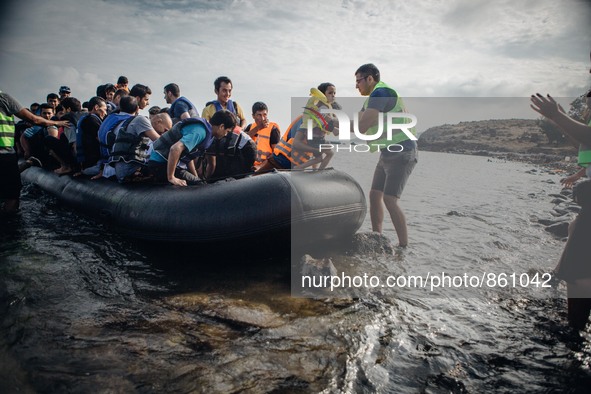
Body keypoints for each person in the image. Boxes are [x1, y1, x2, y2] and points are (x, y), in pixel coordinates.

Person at [354, 63, 418, 247]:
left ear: (370, 79)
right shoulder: (370, 100)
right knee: (375, 195)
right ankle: (377, 238)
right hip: (387, 153)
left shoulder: (381, 93)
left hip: (403, 151)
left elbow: (362, 126)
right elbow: (359, 123)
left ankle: (404, 246)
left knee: (390, 199)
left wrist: (338, 126)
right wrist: (333, 125)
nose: (356, 85)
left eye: (358, 81)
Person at [1, 90, 68, 214]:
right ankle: (9, 222)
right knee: (12, 194)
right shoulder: (3, 98)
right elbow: (34, 119)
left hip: (6, 154)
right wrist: (56, 123)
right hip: (4, 153)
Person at [147, 110, 236, 186]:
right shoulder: (200, 132)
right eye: (227, 131)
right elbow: (175, 149)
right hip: (159, 163)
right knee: (199, 186)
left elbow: (188, 157)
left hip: (167, 164)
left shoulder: (209, 135)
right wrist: (171, 177)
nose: (226, 135)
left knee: (199, 183)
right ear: (221, 127)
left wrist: (196, 177)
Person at [554, 180, 591, 329]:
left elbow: (569, 251)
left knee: (575, 327)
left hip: (578, 279)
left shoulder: (578, 223)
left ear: (577, 199)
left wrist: (557, 272)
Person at [106, 98, 161, 183]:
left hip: (120, 171)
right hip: (129, 171)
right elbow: (160, 141)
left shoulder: (124, 122)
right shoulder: (140, 120)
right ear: (137, 109)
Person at [75, 96, 107, 174]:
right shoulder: (92, 120)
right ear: (96, 107)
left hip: (88, 163)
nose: (105, 113)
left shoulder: (84, 119)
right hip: (94, 164)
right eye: (104, 109)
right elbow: (102, 140)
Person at [244, 101, 281, 168]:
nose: (263, 118)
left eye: (265, 115)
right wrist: (259, 128)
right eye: (259, 115)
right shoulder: (250, 127)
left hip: (265, 167)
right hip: (249, 166)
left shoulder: (273, 129)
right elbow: (242, 140)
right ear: (253, 116)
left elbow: (276, 153)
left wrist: (260, 166)